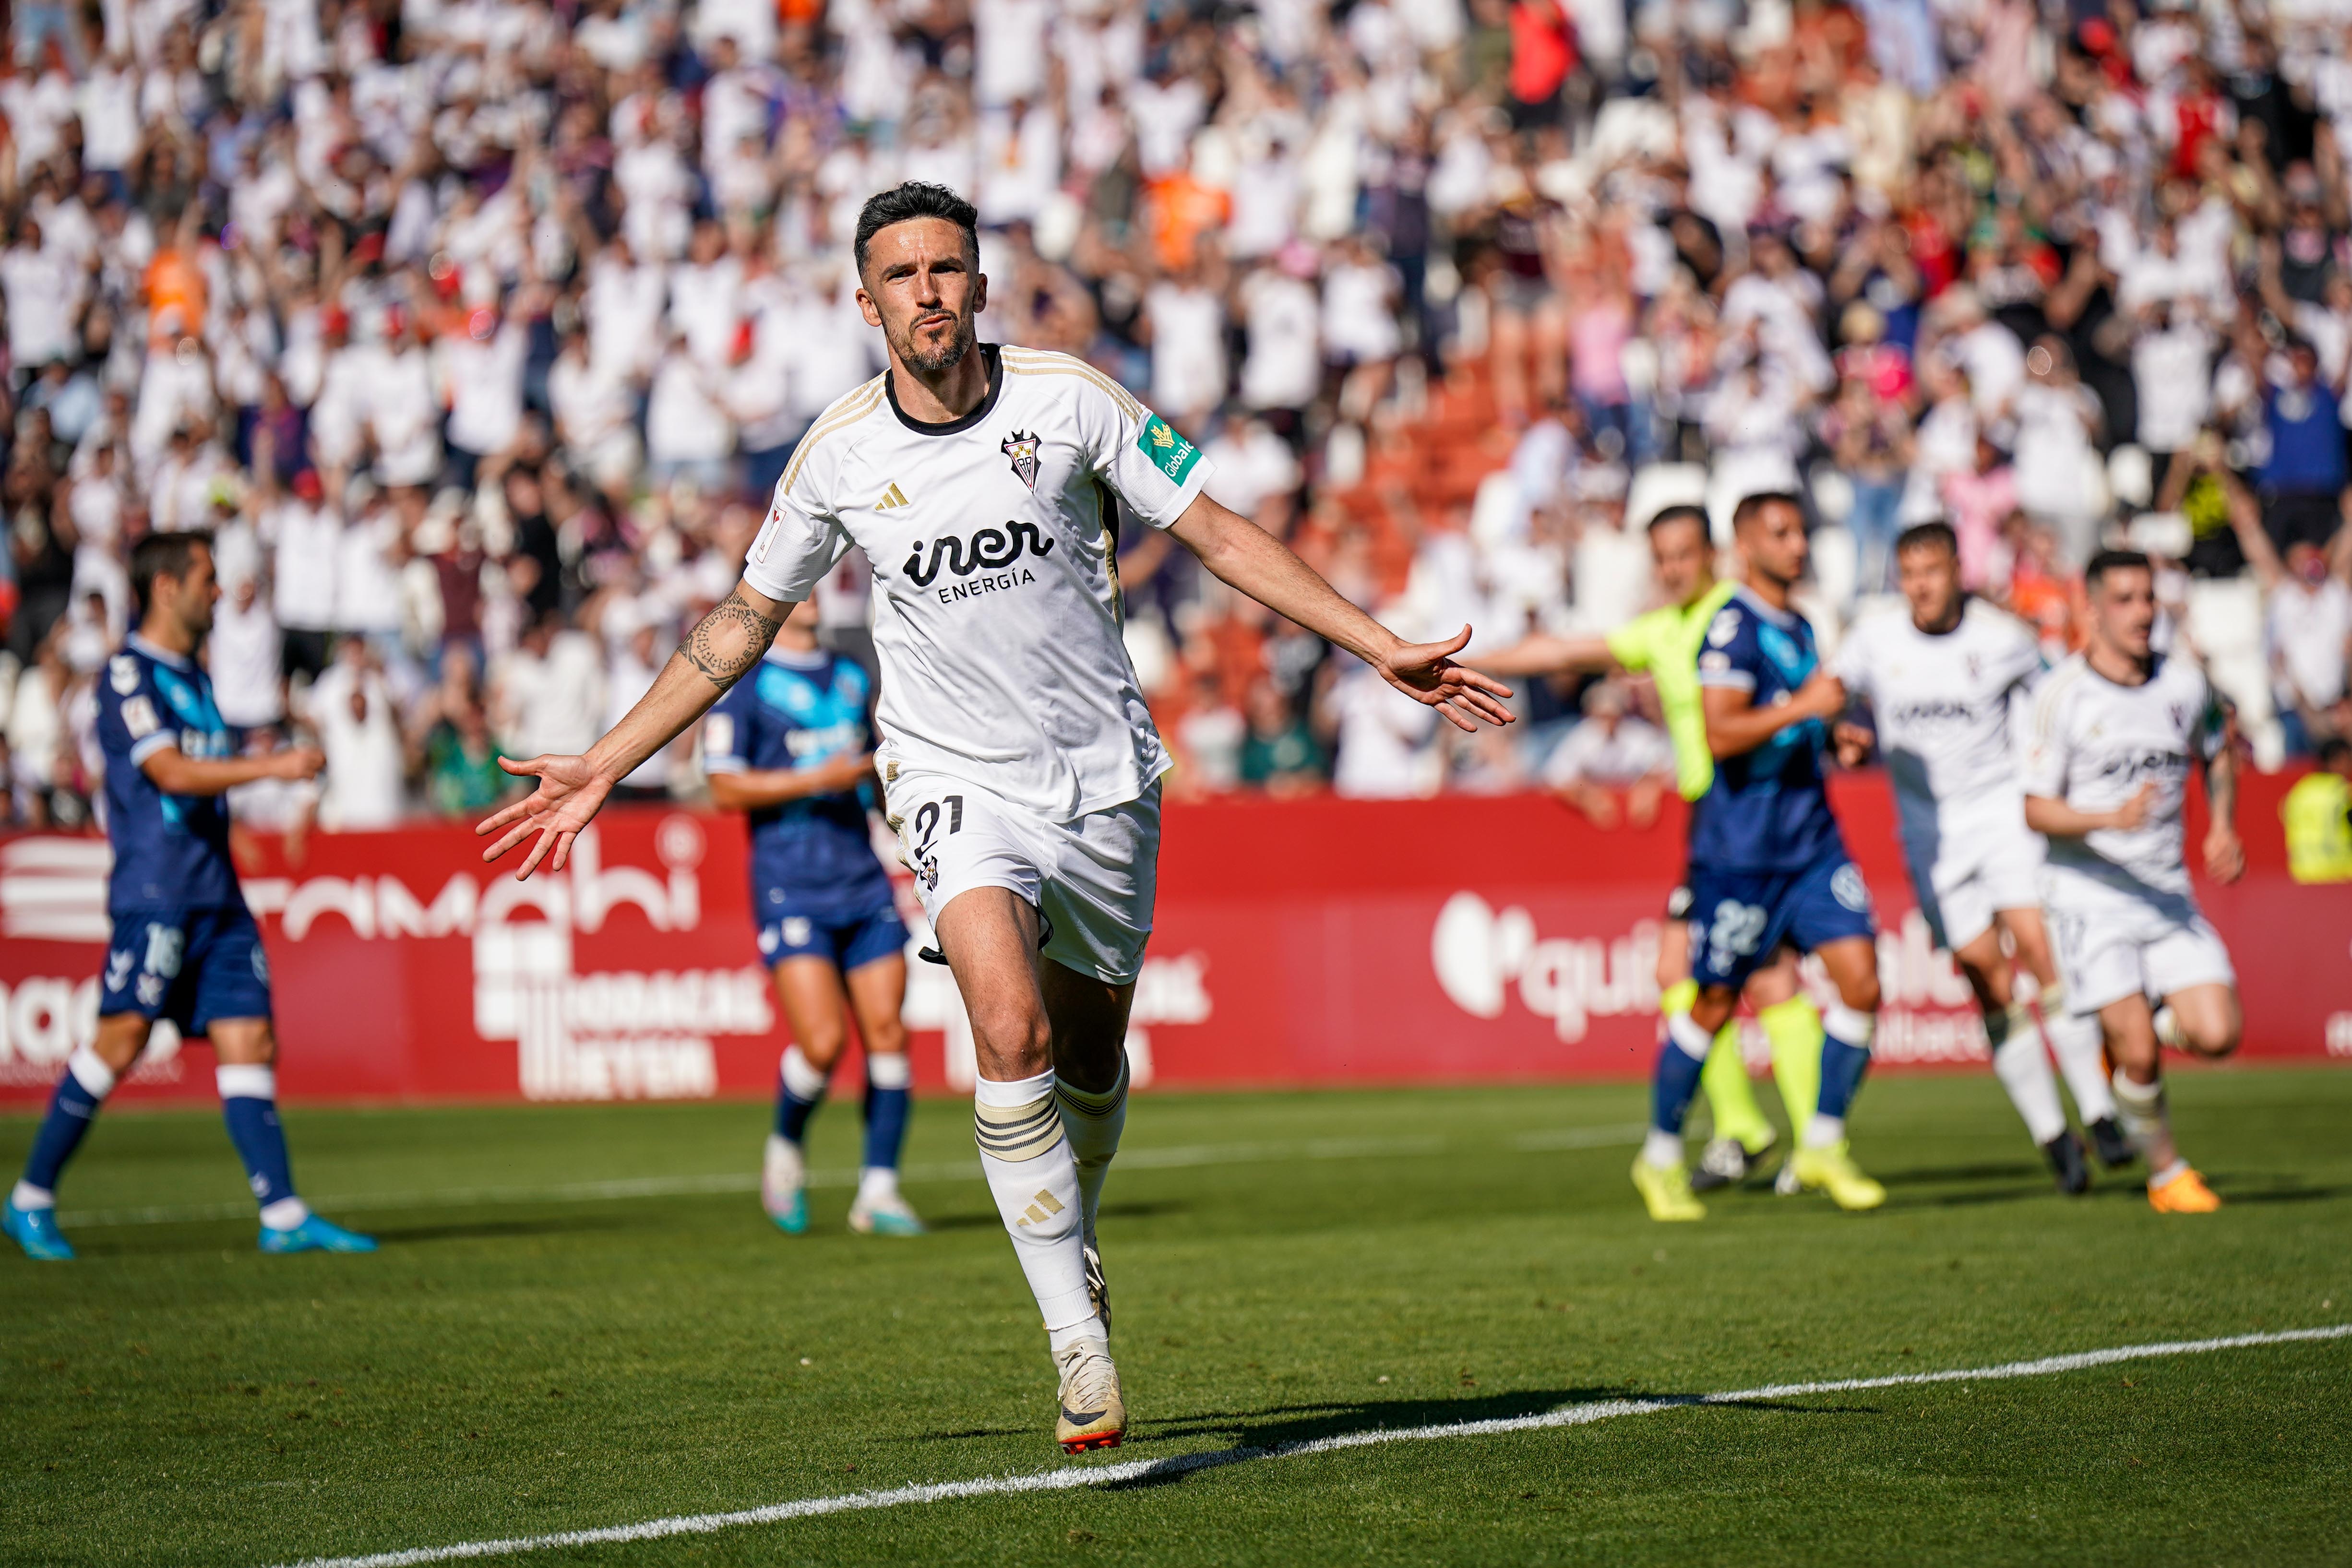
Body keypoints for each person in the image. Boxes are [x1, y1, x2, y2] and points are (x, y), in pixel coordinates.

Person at [474, 183, 1513, 1454]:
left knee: (1085, 1058)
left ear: (977, 286)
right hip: (948, 775)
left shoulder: (1070, 399)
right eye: (900, 274)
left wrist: (1373, 644)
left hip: (1105, 779)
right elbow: (738, 623)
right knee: (1004, 1026)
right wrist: (610, 760)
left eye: (945, 268)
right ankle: (1076, 1341)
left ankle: (1072, 1228)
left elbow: (1219, 534)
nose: (925, 290)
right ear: (866, 304)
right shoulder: (840, 454)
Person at [4, 533, 376, 1261]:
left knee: (251, 1037)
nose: (218, 592)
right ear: (166, 587)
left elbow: (202, 781)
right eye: (206, 579)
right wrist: (273, 765)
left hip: (217, 895)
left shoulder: (196, 679)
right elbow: (171, 773)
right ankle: (30, 1200)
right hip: (158, 894)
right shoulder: (125, 676)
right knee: (123, 1039)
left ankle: (282, 1213)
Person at [1480, 503, 1829, 1201]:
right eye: (1661, 559)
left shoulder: (1738, 618)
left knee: (1740, 977)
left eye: (1682, 554)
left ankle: (1794, 1138)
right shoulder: (1663, 630)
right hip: (1716, 821)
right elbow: (1562, 653)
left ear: (1713, 555)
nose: (1672, 570)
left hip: (1755, 818)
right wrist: (1464, 655)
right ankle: (1781, 1136)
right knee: (1729, 976)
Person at [1831, 522, 2130, 1192]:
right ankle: (2054, 1137)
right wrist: (1844, 729)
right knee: (1986, 978)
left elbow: (2055, 704)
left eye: (1932, 571)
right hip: (1930, 836)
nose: (1921, 586)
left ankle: (2101, 1111)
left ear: (1957, 570)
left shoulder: (2003, 640)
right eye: (1909, 574)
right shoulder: (1875, 639)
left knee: (2038, 948)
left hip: (2002, 817)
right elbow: (1838, 692)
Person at [1632, 492, 1888, 1221]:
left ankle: (1823, 1144)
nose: (1798, 545)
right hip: (1740, 853)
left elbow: (1796, 718)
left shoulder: (1800, 624)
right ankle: (1657, 1159)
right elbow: (1720, 734)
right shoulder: (1733, 627)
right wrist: (1805, 710)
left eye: (1801, 530)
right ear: (1747, 548)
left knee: (1861, 983)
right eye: (1781, 534)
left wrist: (1834, 737)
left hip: (1809, 842)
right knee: (1712, 1003)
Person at [2023, 550, 2246, 1214]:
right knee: (2141, 1060)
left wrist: (2223, 826)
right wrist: (2107, 818)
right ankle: (2166, 1173)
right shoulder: (2060, 695)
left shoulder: (2184, 685)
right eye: (2123, 600)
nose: (2142, 613)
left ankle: (2132, 1026)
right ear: (2092, 610)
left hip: (2166, 893)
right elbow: (2034, 809)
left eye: (2147, 598)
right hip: (2089, 898)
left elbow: (2218, 749)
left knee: (2217, 1035)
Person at [703, 599, 924, 1239]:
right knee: (824, 1042)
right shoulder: (746, 687)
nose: (815, 591)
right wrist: (815, 779)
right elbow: (723, 787)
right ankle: (784, 1150)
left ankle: (879, 1191)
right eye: (802, 582)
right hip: (790, 884)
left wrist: (904, 829)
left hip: (861, 875)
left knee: (887, 1031)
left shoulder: (852, 675)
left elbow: (874, 770)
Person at [2281, 736, 2352, 884]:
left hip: (2304, 875)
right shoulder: (2344, 793)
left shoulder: (2299, 792)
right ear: (2337, 760)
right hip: (2340, 875)